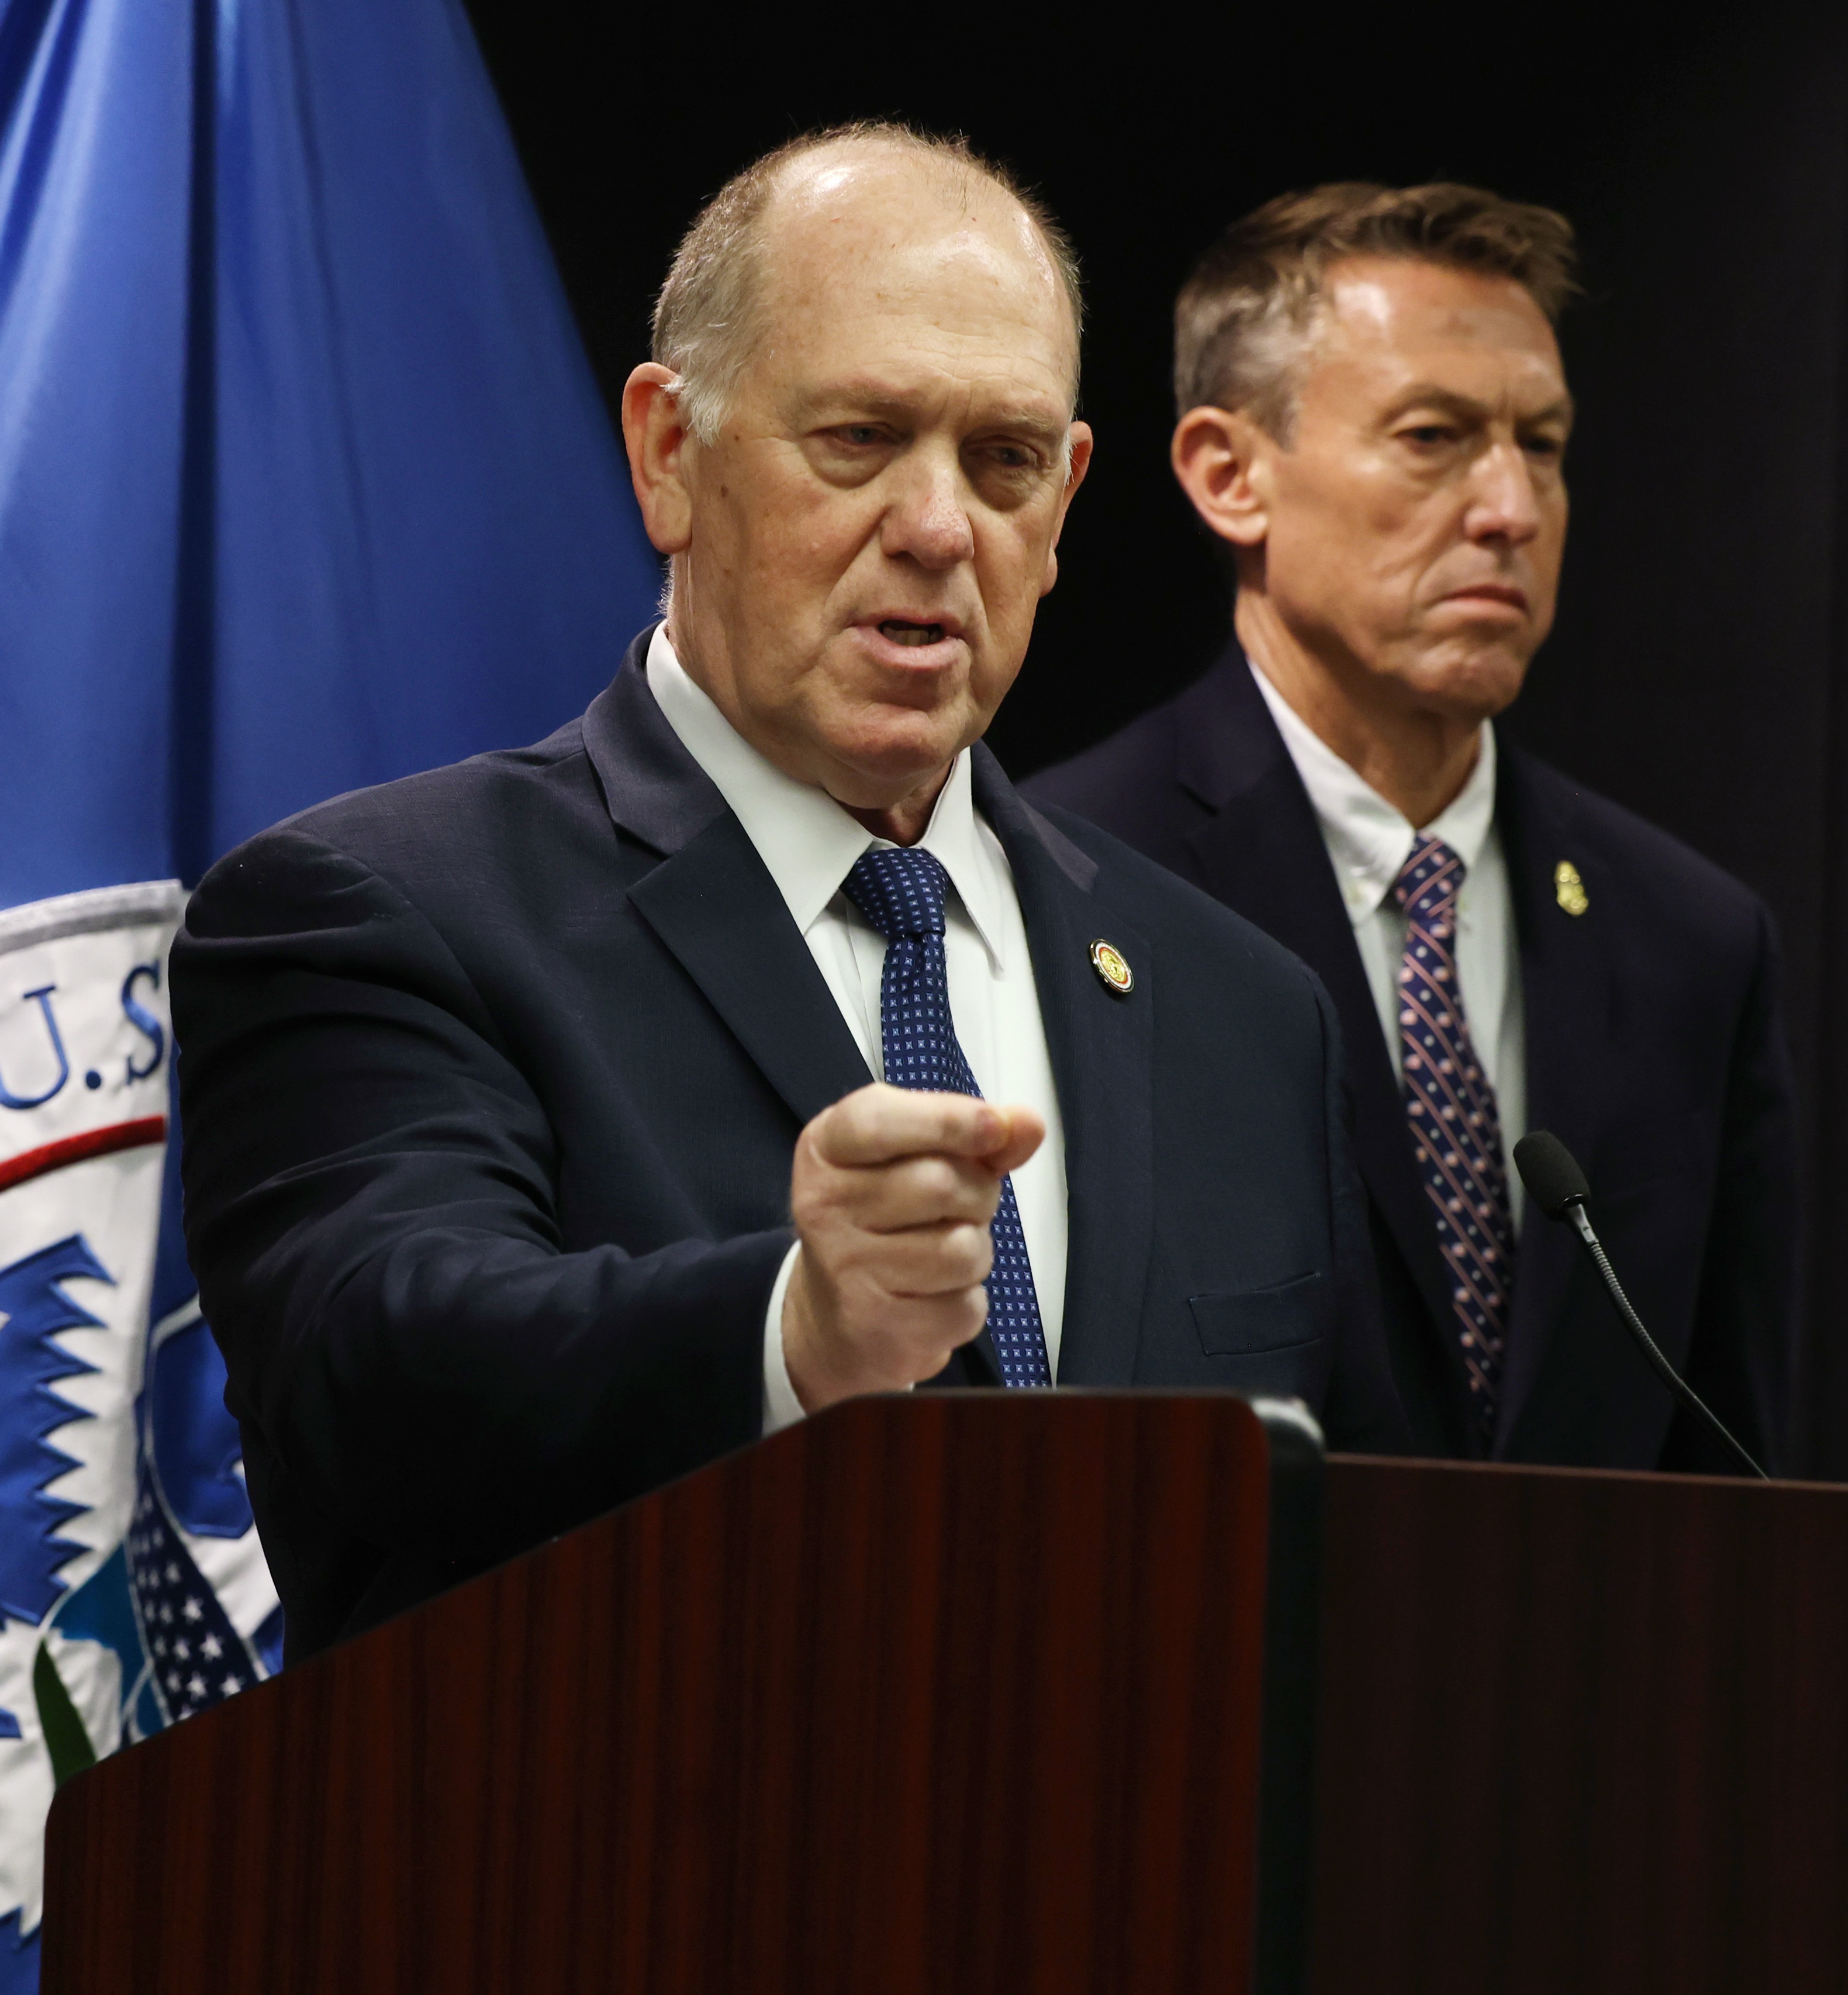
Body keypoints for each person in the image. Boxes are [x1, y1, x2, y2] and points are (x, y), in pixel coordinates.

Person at [174, 126, 1406, 1659]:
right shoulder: (379, 914)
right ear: (667, 456)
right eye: (859, 440)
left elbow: (1332, 1566)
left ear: (1069, 497)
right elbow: (378, 1374)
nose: (941, 526)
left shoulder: (1241, 1005)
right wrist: (793, 1332)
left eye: (1005, 461)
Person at [1030, 184, 1797, 1471]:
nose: (1511, 508)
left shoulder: (1695, 944)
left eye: (1541, 445)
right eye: (1436, 435)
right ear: (1230, 476)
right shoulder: (1061, 879)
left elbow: (1739, 1477)